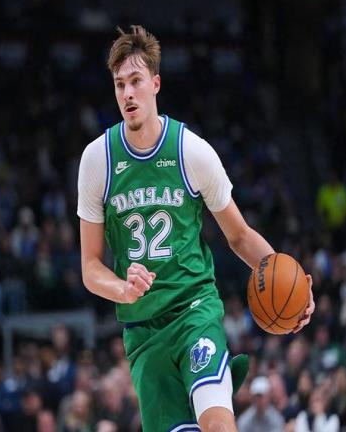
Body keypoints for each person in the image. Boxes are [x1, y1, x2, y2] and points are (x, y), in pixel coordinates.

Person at [77, 25, 315, 432]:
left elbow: (239, 235)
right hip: (142, 330)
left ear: (155, 83)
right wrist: (121, 288)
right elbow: (89, 266)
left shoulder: (191, 151)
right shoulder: (98, 159)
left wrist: (295, 284)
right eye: (119, 85)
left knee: (218, 424)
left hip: (194, 310)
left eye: (136, 81)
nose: (128, 93)